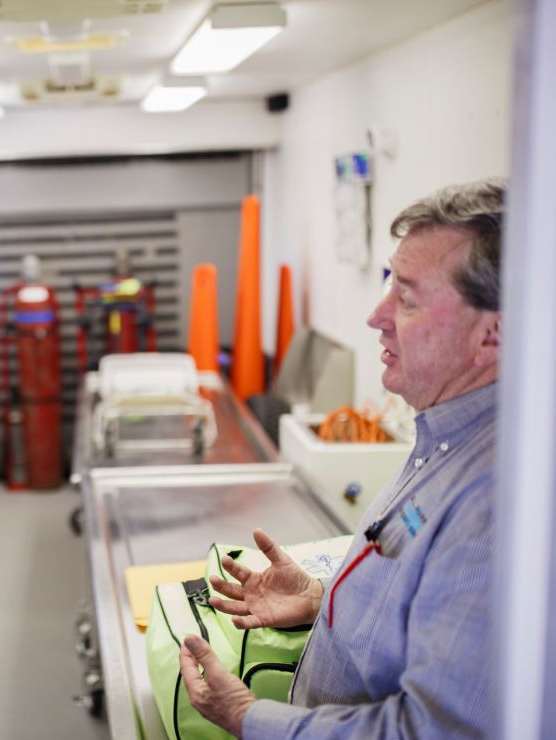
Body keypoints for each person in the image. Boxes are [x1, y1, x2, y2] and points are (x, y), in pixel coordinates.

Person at [180, 177, 504, 738]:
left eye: (405, 297)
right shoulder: (446, 439)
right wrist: (325, 602)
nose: (376, 316)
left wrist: (248, 717)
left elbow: (429, 731)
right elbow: (416, 595)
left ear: (492, 335)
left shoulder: (496, 507)